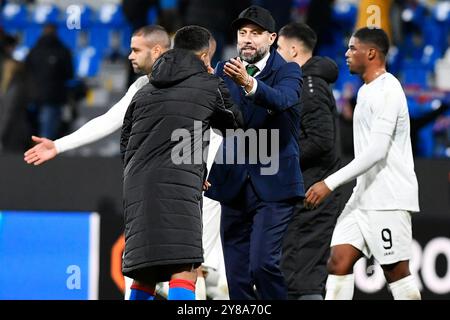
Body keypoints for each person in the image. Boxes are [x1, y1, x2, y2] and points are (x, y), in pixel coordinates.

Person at [24, 26, 230, 300]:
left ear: (157, 50)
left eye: (135, 49)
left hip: (185, 190)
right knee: (172, 271)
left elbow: (223, 130)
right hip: (179, 188)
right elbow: (111, 121)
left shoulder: (181, 85)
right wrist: (59, 144)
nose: (129, 56)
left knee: (175, 272)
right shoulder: (157, 85)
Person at [120, 25, 243, 300]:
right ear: (203, 57)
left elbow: (125, 144)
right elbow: (237, 126)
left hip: (137, 190)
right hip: (178, 190)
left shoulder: (144, 91)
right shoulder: (209, 84)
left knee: (144, 272)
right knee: (184, 270)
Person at [305, 27, 421, 300]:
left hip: (388, 198)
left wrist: (329, 183)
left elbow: (377, 151)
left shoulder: (388, 90)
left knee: (396, 273)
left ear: (371, 53)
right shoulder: (368, 90)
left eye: (352, 48)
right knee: (338, 261)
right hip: (364, 196)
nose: (346, 54)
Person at [205, 5, 303, 300]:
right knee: (236, 278)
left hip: (274, 185)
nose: (247, 39)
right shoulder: (224, 70)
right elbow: (209, 121)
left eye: (256, 33)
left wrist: (248, 84)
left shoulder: (288, 70)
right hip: (232, 183)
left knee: (262, 265)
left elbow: (283, 100)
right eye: (242, 32)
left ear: (272, 38)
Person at [276, 22, 341, 300]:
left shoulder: (309, 86)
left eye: (278, 48)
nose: (275, 55)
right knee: (295, 274)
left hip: (312, 193)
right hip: (303, 190)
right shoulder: (304, 83)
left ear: (292, 50)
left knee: (303, 279)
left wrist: (278, 159)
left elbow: (320, 140)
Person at [25, 23, 73, 140]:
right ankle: (45, 148)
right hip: (54, 94)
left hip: (34, 93)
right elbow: (69, 73)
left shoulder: (34, 50)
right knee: (49, 124)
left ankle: (40, 147)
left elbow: (27, 71)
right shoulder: (62, 50)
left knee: (38, 123)